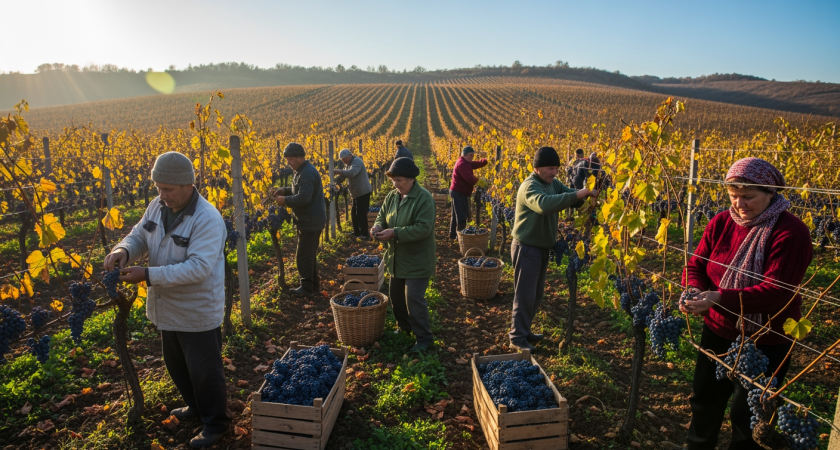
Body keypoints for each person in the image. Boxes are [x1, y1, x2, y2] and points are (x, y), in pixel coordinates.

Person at [680, 157, 812, 450]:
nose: (739, 203)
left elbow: (776, 292)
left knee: (749, 416)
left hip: (766, 339)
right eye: (733, 195)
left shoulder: (791, 233)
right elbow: (696, 265)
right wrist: (694, 290)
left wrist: (717, 298)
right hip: (717, 330)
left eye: (748, 196)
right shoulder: (722, 222)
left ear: (770, 193)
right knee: (704, 400)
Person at [103, 151, 230, 449]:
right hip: (168, 308)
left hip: (197, 310)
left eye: (168, 189)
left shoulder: (207, 219)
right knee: (177, 366)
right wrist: (123, 250)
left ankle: (216, 423)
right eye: (158, 188)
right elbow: (139, 235)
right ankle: (195, 407)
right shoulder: (157, 206)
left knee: (205, 372)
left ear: (187, 185)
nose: (162, 195)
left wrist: (147, 274)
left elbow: (198, 268)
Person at [509, 147, 596, 351]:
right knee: (524, 296)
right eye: (550, 168)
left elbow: (569, 195)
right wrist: (579, 194)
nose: (554, 173)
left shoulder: (552, 183)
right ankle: (517, 337)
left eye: (557, 168)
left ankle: (525, 330)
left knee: (536, 295)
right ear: (537, 167)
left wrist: (587, 195)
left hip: (540, 248)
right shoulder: (530, 186)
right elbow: (544, 205)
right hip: (526, 247)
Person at [370, 157, 436, 352]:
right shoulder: (392, 196)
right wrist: (378, 225)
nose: (395, 184)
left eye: (399, 180)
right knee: (396, 296)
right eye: (393, 180)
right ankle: (404, 327)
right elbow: (382, 215)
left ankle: (424, 338)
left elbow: (423, 228)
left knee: (413, 298)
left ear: (411, 179)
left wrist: (395, 232)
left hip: (417, 258)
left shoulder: (424, 199)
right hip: (396, 257)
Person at [273, 142, 327, 295]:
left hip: (310, 221)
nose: (288, 163)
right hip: (309, 219)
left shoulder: (307, 172)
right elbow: (299, 190)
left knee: (303, 255)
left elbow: (304, 198)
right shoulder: (302, 171)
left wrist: (285, 200)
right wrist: (286, 190)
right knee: (308, 254)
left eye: (290, 159)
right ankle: (313, 285)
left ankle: (306, 287)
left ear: (299, 157)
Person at [448, 146, 488, 239]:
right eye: (470, 155)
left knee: (455, 215)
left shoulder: (466, 162)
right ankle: (461, 238)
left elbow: (475, 164)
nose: (472, 157)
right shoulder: (462, 164)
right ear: (464, 155)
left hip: (458, 192)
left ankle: (453, 235)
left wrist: (485, 161)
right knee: (461, 216)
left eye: (473, 155)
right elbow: (469, 179)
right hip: (458, 192)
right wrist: (480, 181)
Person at [334, 148, 373, 240]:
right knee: (354, 214)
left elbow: (352, 173)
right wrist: (335, 181)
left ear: (349, 156)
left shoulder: (357, 161)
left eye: (344, 160)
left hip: (363, 191)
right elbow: (344, 175)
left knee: (361, 213)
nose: (343, 162)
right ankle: (356, 232)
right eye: (342, 161)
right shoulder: (348, 164)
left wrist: (338, 171)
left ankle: (364, 234)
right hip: (356, 193)